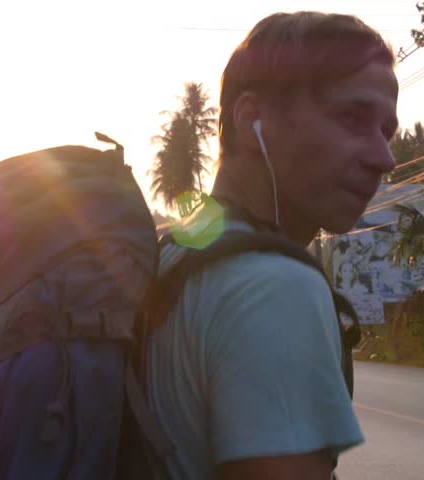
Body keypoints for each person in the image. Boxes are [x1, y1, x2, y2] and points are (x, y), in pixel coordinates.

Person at [145, 11, 398, 479]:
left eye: (387, 131)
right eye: (352, 118)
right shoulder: (276, 286)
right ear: (252, 119)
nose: (384, 158)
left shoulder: (170, 254)